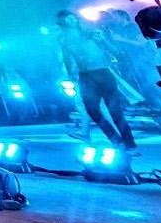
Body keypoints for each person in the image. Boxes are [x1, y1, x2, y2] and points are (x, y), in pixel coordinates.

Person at [56, 11, 138, 151]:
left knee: (115, 110)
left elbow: (114, 51)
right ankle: (115, 139)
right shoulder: (63, 38)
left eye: (71, 17)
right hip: (85, 76)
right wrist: (71, 74)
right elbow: (67, 57)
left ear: (75, 19)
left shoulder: (90, 33)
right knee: (92, 109)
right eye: (66, 19)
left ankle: (129, 143)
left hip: (102, 72)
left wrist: (103, 40)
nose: (70, 21)